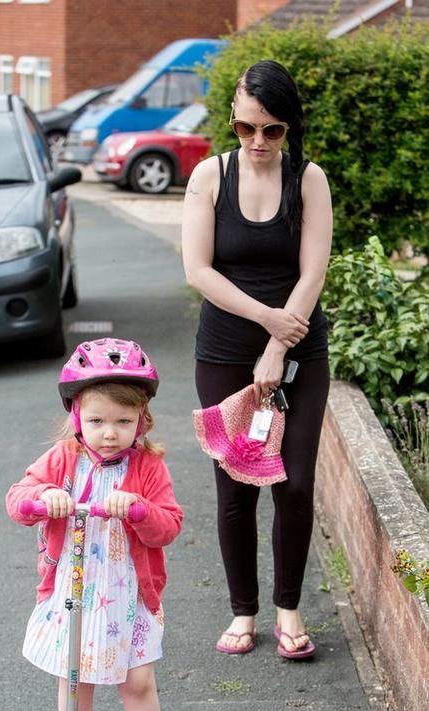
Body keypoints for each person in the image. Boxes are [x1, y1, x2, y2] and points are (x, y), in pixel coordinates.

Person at [181, 60, 333, 659]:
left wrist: (278, 344)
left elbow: (313, 270)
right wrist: (265, 319)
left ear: (289, 128)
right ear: (234, 124)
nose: (259, 142)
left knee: (294, 484)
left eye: (272, 130)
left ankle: (288, 612)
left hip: (299, 353)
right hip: (222, 352)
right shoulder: (209, 176)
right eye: (247, 129)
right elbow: (198, 270)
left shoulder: (310, 179)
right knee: (235, 486)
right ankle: (243, 614)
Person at [6, 338, 184, 711]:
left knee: (138, 681)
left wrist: (140, 510)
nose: (110, 433)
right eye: (97, 421)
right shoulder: (63, 459)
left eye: (124, 422)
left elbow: (169, 526)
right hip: (73, 590)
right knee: (74, 675)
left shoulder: (148, 467)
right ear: (76, 417)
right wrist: (43, 500)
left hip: (128, 595)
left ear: (142, 419)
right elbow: (17, 501)